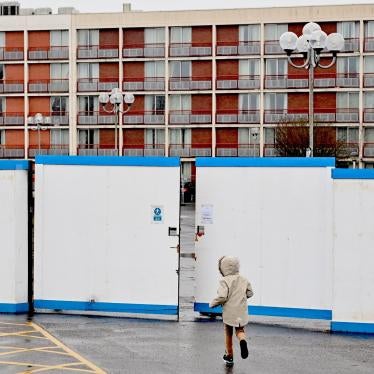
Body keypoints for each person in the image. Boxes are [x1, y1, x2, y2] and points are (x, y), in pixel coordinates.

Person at [209, 256, 254, 367]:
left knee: (228, 333)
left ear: (223, 268)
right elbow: (250, 293)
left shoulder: (224, 281)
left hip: (229, 312)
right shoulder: (243, 279)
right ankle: (242, 340)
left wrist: (213, 304)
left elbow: (222, 297)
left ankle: (229, 356)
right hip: (241, 311)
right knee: (240, 330)